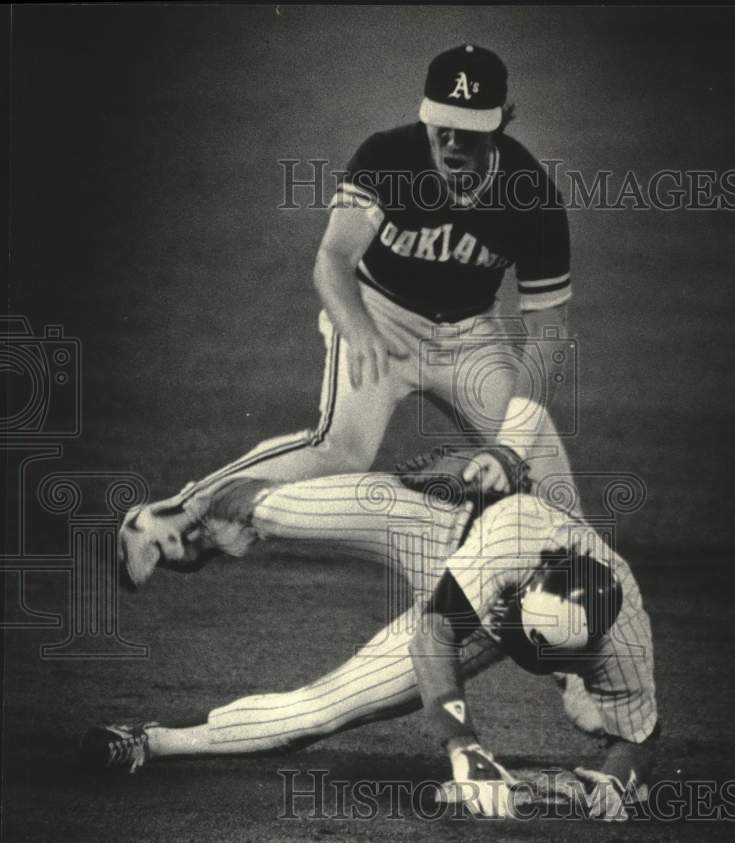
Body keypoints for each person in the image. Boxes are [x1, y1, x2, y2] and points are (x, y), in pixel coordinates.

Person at [118, 43, 573, 589]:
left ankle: (573, 615)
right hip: (377, 313)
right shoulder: (389, 156)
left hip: (469, 335)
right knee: (341, 450)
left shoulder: (533, 197)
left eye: (468, 131)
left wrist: (511, 442)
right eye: (441, 127)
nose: (451, 143)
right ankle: (177, 514)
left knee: (539, 462)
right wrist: (358, 329)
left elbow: (549, 327)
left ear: (500, 124)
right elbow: (333, 260)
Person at [82, 433, 657, 822]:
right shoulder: (518, 535)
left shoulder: (623, 638)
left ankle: (149, 740)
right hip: (441, 527)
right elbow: (435, 636)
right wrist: (466, 749)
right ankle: (176, 516)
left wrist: (607, 787)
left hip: (476, 611)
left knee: (317, 714)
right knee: (274, 510)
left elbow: (637, 741)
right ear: (537, 582)